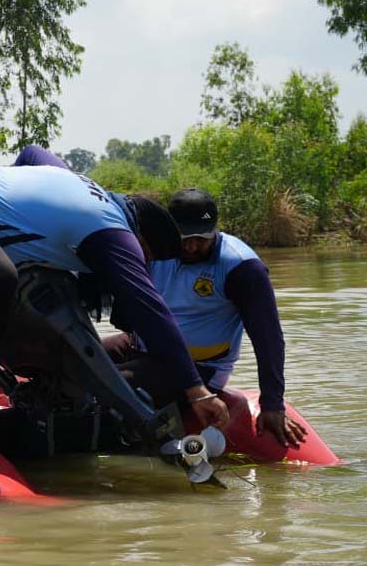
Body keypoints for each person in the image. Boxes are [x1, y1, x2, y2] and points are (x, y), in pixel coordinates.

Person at [0, 164, 230, 475]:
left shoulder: (92, 194)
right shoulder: (114, 231)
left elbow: (33, 153)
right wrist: (196, 391)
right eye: (146, 257)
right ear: (140, 239)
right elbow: (150, 311)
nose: (139, 263)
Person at [103, 188, 307, 447]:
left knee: (105, 381)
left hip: (199, 369)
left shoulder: (241, 267)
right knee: (79, 356)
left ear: (215, 230)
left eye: (201, 239)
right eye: (184, 238)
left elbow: (268, 339)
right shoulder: (154, 249)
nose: (191, 246)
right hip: (143, 346)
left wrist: (273, 403)